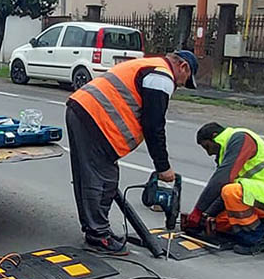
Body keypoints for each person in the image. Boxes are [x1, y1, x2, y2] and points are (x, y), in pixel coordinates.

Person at [66, 50, 198, 253]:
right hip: (94, 118)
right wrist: (163, 167)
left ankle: (97, 230)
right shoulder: (161, 76)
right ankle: (97, 236)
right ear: (183, 67)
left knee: (96, 177)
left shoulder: (152, 66)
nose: (179, 86)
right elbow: (153, 125)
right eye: (184, 81)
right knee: (100, 180)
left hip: (88, 113)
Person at [185, 122, 264, 255]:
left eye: (207, 146)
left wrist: (198, 211)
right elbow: (223, 192)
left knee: (231, 192)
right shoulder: (227, 150)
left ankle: (258, 240)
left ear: (215, 136)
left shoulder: (240, 139)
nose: (208, 153)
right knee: (221, 221)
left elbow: (221, 182)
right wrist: (207, 215)